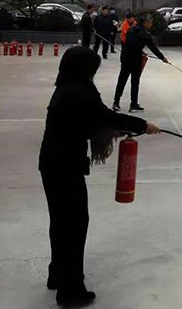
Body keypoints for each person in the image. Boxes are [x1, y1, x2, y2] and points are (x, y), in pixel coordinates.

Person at [39, 46, 161, 306]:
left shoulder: (65, 87)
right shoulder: (81, 91)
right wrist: (143, 125)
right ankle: (70, 291)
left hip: (52, 163)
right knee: (74, 225)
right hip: (65, 166)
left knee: (61, 223)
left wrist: (123, 128)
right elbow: (105, 117)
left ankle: (58, 275)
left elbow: (89, 122)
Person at [113, 14, 169, 112]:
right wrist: (162, 58)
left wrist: (139, 50)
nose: (151, 25)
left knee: (122, 80)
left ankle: (116, 102)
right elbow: (153, 48)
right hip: (136, 60)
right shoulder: (145, 34)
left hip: (126, 58)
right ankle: (133, 104)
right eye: (150, 23)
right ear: (146, 23)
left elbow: (128, 44)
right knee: (135, 82)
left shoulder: (131, 29)